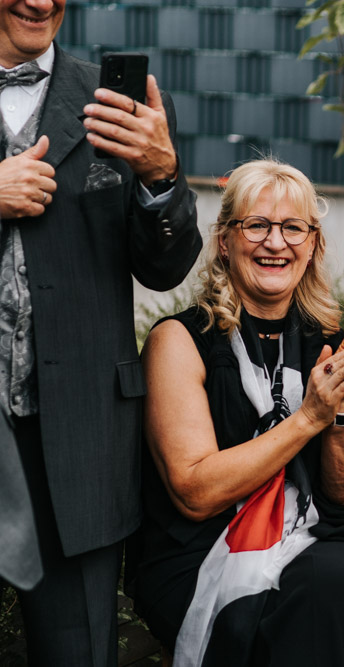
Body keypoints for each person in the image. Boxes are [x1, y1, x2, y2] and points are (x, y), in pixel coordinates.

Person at [0, 2, 202, 663]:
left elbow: (166, 268)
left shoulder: (110, 103)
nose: (40, 1)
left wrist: (160, 177)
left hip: (78, 442)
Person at [129, 160, 344, 665]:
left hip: (311, 531)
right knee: (315, 592)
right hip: (200, 548)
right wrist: (308, 416)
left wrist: (343, 406)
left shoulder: (329, 343)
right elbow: (195, 492)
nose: (275, 242)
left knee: (339, 573)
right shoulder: (178, 341)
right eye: (257, 225)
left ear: (313, 246)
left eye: (293, 228)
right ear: (224, 240)